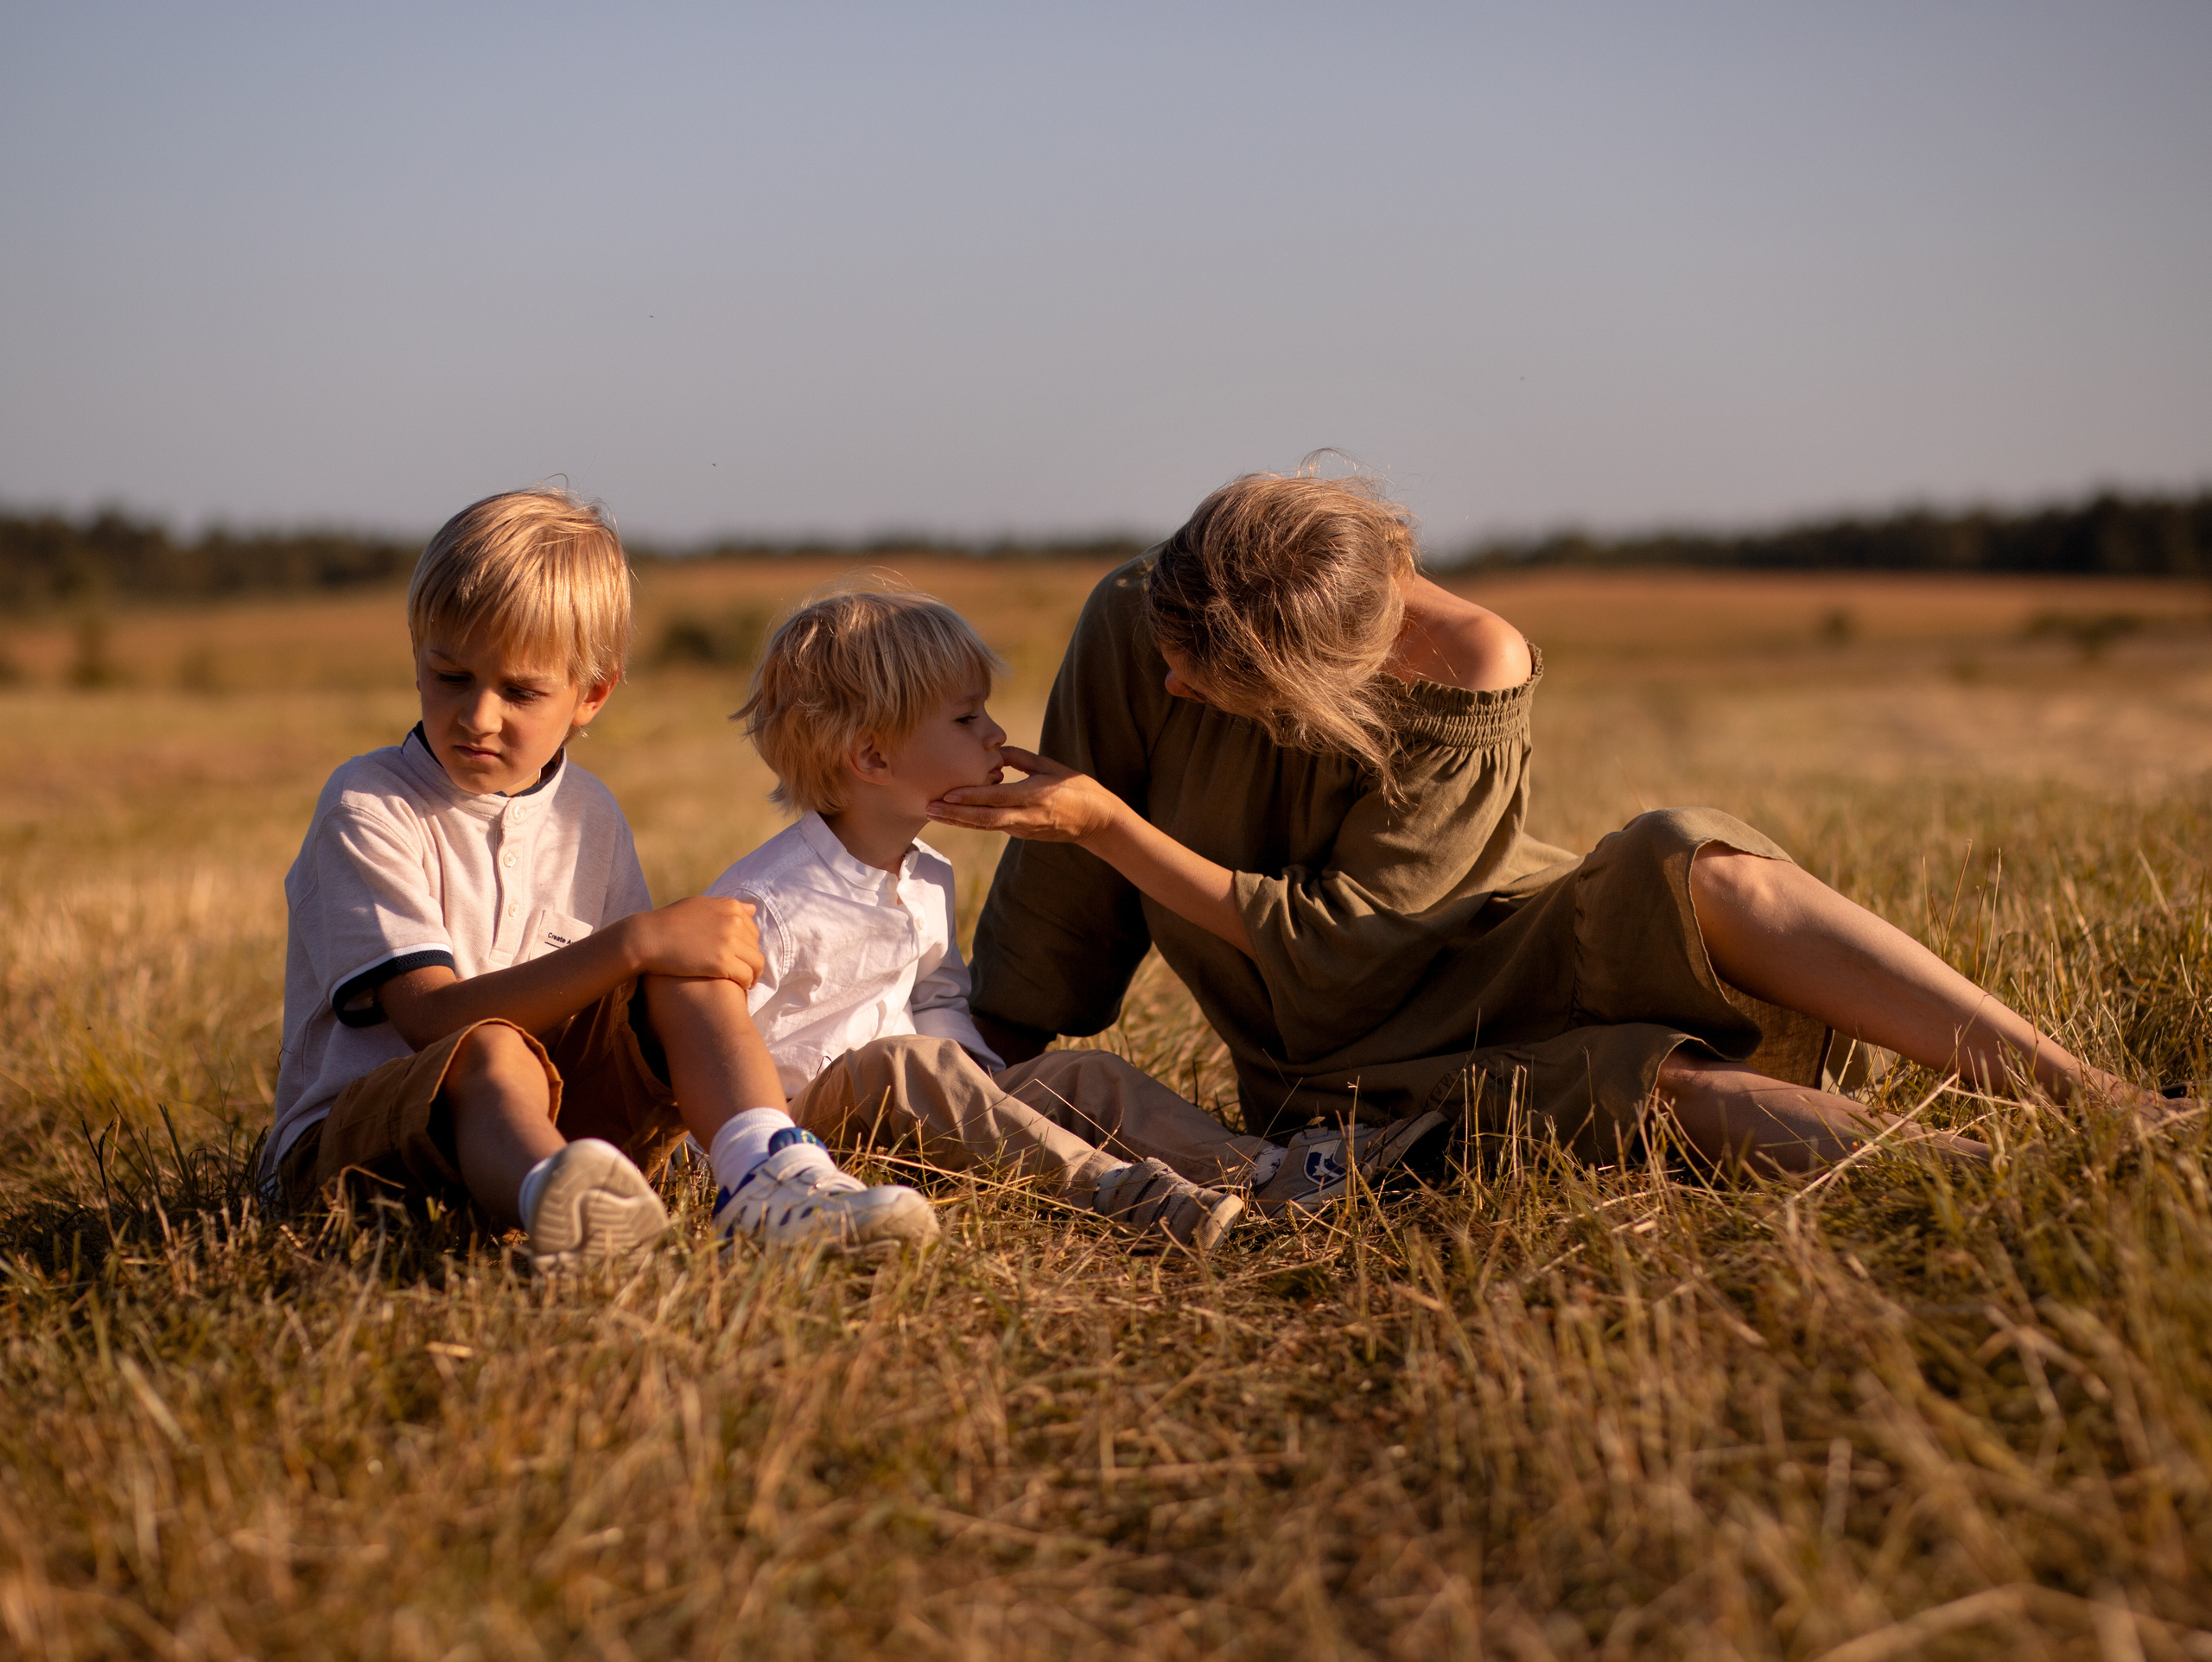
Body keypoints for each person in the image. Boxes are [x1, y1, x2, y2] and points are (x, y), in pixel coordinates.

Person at [937, 469, 2178, 1175]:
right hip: (1352, 1062)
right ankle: (2002, 1179)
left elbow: (1365, 943)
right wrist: (985, 1045)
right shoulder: (1140, 615)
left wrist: (1109, 823)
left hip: (1462, 944)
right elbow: (1065, 916)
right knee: (1658, 1089)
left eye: (1213, 681)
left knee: (1694, 854)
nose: (1172, 687)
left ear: (1330, 678)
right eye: (1169, 654)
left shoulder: (1473, 659)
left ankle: (2103, 1106)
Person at [263, 487, 937, 1266]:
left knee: (683, 975)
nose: (478, 715)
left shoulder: (590, 813)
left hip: (554, 1125)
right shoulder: (370, 803)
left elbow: (629, 1009)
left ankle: (768, 1175)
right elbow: (431, 1021)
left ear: (592, 695)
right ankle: (567, 1211)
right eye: (450, 676)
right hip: (351, 1155)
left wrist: (659, 960)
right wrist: (634, 942)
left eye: (520, 691)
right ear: (417, 659)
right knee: (495, 1048)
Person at [704, 587, 1445, 1252]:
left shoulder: (927, 873)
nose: (995, 733)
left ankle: (1269, 1170)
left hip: (922, 1110)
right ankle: (1116, 1192)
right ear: (871, 756)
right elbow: (704, 1038)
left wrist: (985, 1083)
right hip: (812, 1132)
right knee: (902, 1065)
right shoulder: (770, 901)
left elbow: (935, 995)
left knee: (1080, 1074)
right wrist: (742, 1152)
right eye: (967, 718)